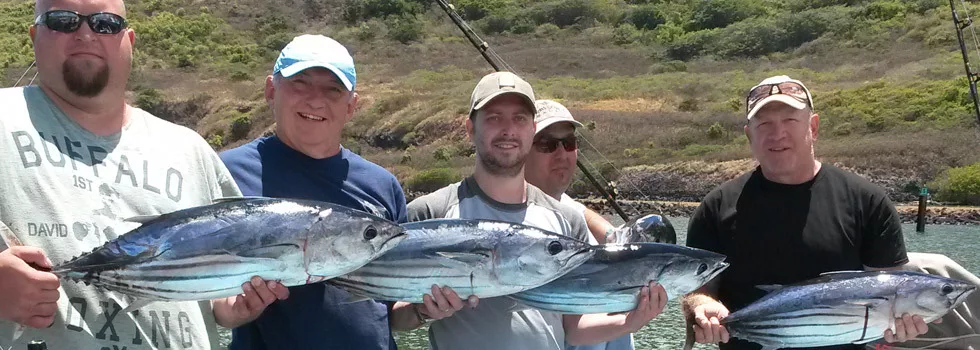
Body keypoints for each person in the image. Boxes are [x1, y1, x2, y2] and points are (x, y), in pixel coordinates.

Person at [0, 0, 283, 348]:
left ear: (129, 40)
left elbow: (217, 285)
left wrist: (231, 302)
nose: (85, 34)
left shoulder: (189, 148)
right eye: (63, 21)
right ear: (34, 35)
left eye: (105, 23)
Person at [387, 71, 667, 349]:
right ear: (470, 129)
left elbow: (575, 329)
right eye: (494, 117)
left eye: (519, 118)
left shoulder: (567, 221)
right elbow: (388, 316)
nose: (508, 129)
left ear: (532, 130)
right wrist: (421, 311)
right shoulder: (430, 212)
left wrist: (632, 321)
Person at [682, 75, 932, 349]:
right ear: (749, 134)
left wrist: (899, 325)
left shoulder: (868, 201)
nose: (777, 134)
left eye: (790, 120)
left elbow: (890, 290)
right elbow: (697, 290)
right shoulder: (715, 207)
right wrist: (702, 306)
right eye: (764, 124)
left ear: (813, 127)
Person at [219, 34, 408, 350]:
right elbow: (211, 295)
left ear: (351, 106)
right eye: (300, 83)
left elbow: (391, 307)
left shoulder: (382, 185)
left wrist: (424, 307)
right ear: (270, 90)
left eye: (333, 90)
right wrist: (233, 312)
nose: (315, 100)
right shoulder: (227, 172)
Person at [524, 99, 635, 350]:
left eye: (569, 143)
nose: (561, 153)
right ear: (522, 149)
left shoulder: (570, 210)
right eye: (548, 144)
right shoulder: (509, 221)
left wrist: (613, 235)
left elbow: (575, 208)